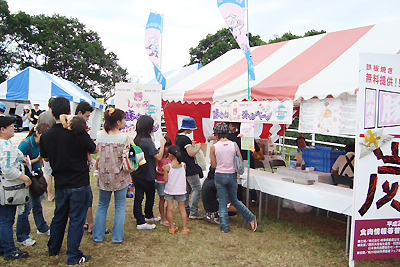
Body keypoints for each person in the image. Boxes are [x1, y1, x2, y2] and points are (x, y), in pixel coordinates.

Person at [40, 96, 98, 265]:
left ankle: (54, 248)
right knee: (76, 220)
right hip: (79, 183)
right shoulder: (78, 131)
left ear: (52, 112)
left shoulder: (47, 135)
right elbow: (93, 149)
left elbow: (46, 158)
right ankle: (73, 256)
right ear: (70, 112)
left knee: (59, 217)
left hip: (61, 183)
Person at [92, 108, 131, 243]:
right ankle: (117, 237)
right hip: (120, 176)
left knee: (102, 205)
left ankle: (97, 236)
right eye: (124, 120)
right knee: (120, 206)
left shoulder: (100, 135)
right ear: (118, 121)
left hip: (104, 176)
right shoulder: (123, 137)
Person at [210, 123, 257, 233]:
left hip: (220, 175)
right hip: (232, 175)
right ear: (227, 133)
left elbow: (213, 165)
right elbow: (239, 159)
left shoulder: (214, 147)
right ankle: (251, 217)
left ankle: (225, 227)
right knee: (234, 200)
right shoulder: (234, 144)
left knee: (222, 201)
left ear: (216, 134)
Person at [0, 116, 31, 261]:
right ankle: (9, 250)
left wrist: (21, 158)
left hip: (2, 187)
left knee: (3, 219)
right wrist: (25, 178)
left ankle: (4, 246)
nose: (13, 127)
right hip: (6, 188)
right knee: (6, 219)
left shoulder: (6, 144)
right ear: (2, 129)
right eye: (10, 125)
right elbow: (7, 170)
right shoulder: (5, 146)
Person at [16, 123, 51, 247]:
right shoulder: (25, 144)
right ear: (37, 133)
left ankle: (42, 227)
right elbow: (18, 162)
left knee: (37, 205)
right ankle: (21, 236)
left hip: (35, 177)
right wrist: (36, 160)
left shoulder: (42, 143)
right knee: (25, 208)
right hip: (25, 179)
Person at [132, 115, 166, 230]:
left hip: (138, 172)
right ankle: (141, 220)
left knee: (141, 196)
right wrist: (162, 144)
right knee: (146, 196)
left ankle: (147, 215)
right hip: (147, 173)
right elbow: (158, 156)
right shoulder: (147, 141)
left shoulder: (137, 139)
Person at [174, 117, 203, 219]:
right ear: (188, 129)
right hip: (190, 167)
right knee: (197, 188)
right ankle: (194, 212)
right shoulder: (185, 139)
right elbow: (191, 153)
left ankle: (186, 209)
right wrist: (198, 147)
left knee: (187, 189)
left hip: (183, 167)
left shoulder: (177, 137)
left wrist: (191, 145)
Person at [227, 122, 263, 204]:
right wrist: (261, 155)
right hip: (249, 159)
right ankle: (253, 198)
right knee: (250, 178)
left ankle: (239, 198)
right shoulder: (249, 136)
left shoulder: (232, 137)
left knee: (239, 179)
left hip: (238, 160)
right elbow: (256, 148)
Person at [162, 145, 189, 234]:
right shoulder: (183, 165)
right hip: (180, 190)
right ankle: (184, 228)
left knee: (169, 208)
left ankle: (172, 228)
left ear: (169, 154)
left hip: (170, 190)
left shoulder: (167, 167)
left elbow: (165, 180)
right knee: (182, 209)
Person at [38, 97, 56, 201]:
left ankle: (47, 193)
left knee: (47, 171)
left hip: (44, 144)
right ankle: (50, 195)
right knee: (50, 172)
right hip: (54, 145)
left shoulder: (41, 115)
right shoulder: (55, 116)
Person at [155, 135, 172, 227]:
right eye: (165, 146)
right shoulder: (159, 154)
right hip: (161, 180)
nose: (167, 148)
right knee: (162, 199)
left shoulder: (171, 155)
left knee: (169, 199)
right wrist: (164, 172)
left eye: (168, 146)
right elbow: (156, 168)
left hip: (169, 181)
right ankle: (163, 217)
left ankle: (168, 216)